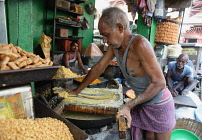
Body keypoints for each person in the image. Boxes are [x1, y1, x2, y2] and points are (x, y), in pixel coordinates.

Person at [67, 7, 175, 140]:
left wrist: (128, 106)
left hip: (160, 105)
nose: (105, 40)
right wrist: (77, 90)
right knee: (148, 137)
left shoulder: (140, 45)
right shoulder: (115, 47)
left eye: (106, 35)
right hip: (142, 102)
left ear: (120, 28)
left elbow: (159, 83)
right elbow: (98, 68)